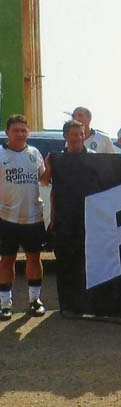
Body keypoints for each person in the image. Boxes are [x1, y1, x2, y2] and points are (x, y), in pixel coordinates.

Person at [0, 115, 48, 320]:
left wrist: (52, 163)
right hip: (6, 218)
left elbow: (44, 179)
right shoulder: (1, 154)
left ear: (28, 132)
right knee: (6, 261)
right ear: (7, 132)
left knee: (34, 259)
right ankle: (4, 304)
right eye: (16, 130)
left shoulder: (34, 153)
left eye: (23, 130)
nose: (20, 134)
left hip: (33, 218)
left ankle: (34, 300)